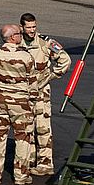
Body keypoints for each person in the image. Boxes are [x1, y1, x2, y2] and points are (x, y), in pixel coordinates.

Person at [20, 13, 71, 175]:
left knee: (42, 128)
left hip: (41, 92)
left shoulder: (45, 42)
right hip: (23, 93)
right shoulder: (16, 42)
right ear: (22, 27)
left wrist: (50, 76)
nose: (32, 30)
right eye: (28, 27)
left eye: (34, 27)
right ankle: (30, 158)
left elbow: (65, 60)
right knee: (26, 128)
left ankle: (46, 163)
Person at [0, 25, 38, 184]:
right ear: (12, 37)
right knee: (22, 139)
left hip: (1, 101)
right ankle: (21, 175)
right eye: (19, 33)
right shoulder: (25, 56)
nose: (21, 35)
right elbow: (33, 81)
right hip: (20, 102)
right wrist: (33, 100)